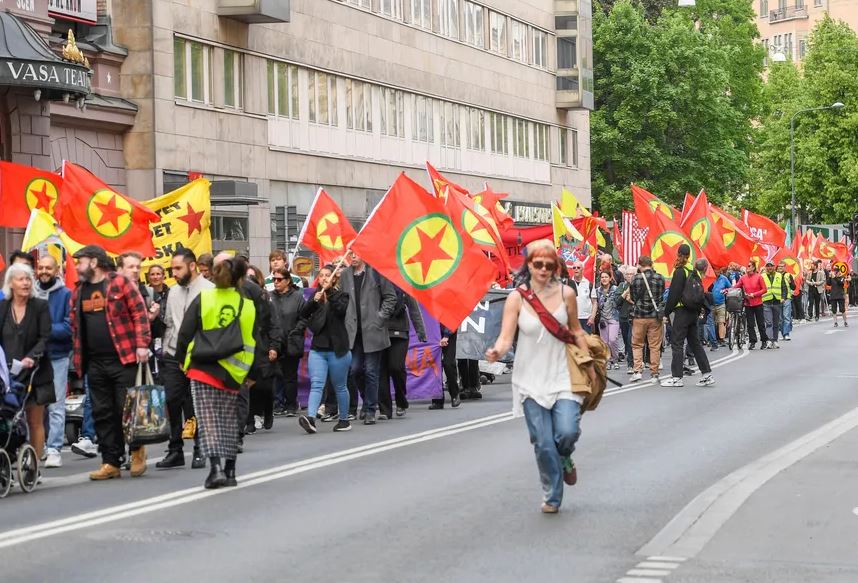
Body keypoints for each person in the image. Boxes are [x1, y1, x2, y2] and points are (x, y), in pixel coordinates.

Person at [486, 240, 592, 514]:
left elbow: (577, 330)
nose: (543, 269)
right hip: (530, 379)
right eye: (538, 264)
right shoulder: (517, 297)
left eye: (549, 264)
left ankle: (566, 455)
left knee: (567, 431)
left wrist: (588, 360)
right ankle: (553, 494)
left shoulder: (567, 293)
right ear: (529, 265)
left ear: (556, 266)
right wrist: (497, 351)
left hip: (563, 374)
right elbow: (506, 337)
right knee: (543, 442)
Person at [70, 245, 151, 481]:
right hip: (93, 362)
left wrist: (142, 344)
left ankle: (136, 452)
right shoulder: (79, 290)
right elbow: (75, 325)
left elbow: (139, 313)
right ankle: (110, 462)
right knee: (102, 412)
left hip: (123, 358)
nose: (76, 266)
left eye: (80, 261)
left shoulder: (120, 283)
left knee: (126, 409)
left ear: (94, 262)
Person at [176, 255, 257, 489]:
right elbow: (253, 341)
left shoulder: (204, 298)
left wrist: (182, 360)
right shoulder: (247, 304)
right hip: (235, 371)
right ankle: (231, 471)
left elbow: (185, 333)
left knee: (209, 421)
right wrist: (253, 374)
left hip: (203, 367)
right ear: (241, 278)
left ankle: (215, 469)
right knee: (230, 421)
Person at [157, 250, 214, 470]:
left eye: (178, 268)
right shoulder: (172, 292)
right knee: (171, 400)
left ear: (192, 267)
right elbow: (170, 322)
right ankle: (175, 449)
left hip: (199, 356)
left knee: (196, 403)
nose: (174, 273)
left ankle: (200, 448)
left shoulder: (210, 290)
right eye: (172, 269)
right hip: (173, 354)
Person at [0, 263, 54, 462]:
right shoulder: (3, 307)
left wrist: (32, 356)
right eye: (20, 279)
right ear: (10, 283)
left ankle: (35, 463)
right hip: (7, 372)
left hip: (35, 371)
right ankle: (9, 457)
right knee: (8, 418)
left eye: (28, 279)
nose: (25, 283)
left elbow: (45, 337)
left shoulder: (40, 306)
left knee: (34, 419)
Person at [339, 251, 397, 425]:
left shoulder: (376, 272)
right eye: (351, 253)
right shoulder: (345, 275)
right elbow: (343, 300)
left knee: (372, 371)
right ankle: (367, 401)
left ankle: (371, 409)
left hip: (373, 330)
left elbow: (390, 298)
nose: (353, 256)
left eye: (356, 253)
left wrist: (379, 317)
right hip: (353, 331)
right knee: (355, 369)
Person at [297, 264, 352, 434]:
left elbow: (340, 310)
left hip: (338, 350)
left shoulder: (342, 296)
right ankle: (311, 418)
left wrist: (329, 292)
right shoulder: (316, 296)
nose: (324, 278)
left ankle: (344, 420)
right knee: (316, 384)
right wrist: (314, 301)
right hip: (318, 349)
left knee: (340, 386)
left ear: (335, 278)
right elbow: (304, 314)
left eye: (328, 275)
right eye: (321, 275)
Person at [34, 256, 72, 469]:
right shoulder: (31, 293)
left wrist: (44, 331)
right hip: (35, 357)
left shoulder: (66, 294)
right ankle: (37, 447)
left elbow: (68, 327)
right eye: (41, 267)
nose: (44, 271)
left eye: (49, 268)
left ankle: (54, 448)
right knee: (35, 405)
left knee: (56, 404)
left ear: (57, 270)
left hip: (57, 356)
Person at [661, 249, 714, 388]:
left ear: (678, 254)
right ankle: (706, 373)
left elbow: (674, 294)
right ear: (689, 255)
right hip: (693, 311)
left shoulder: (680, 271)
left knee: (677, 343)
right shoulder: (693, 270)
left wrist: (666, 312)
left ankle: (677, 377)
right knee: (695, 343)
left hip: (682, 311)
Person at [379, 287, 427, 418]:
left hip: (399, 332)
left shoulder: (403, 283)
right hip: (378, 331)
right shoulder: (375, 281)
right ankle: (385, 409)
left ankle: (401, 401)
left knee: (396, 367)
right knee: (381, 371)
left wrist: (420, 331)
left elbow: (413, 309)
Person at [269, 266, 305, 417]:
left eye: (279, 279)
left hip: (292, 341)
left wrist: (296, 331)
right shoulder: (270, 296)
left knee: (290, 375)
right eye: (274, 279)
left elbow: (304, 317)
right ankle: (278, 404)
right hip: (275, 341)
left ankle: (291, 405)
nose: (276, 282)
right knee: (276, 374)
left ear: (288, 281)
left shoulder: (297, 297)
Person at [628, 256, 665, 382]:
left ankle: (637, 371)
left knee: (637, 344)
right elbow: (661, 296)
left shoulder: (635, 278)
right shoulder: (660, 278)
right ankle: (654, 373)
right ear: (651, 264)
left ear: (640, 265)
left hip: (639, 316)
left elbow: (633, 297)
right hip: (655, 317)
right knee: (654, 346)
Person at [733, 260, 768, 350]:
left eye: (749, 266)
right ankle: (752, 342)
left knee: (760, 324)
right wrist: (727, 290)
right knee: (750, 324)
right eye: (747, 266)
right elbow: (736, 286)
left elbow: (764, 289)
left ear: (753, 267)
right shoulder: (743, 278)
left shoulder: (759, 277)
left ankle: (764, 341)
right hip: (748, 303)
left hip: (758, 303)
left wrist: (754, 294)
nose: (747, 268)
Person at [429, 324, 461, 409]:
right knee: (435, 366)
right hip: (432, 334)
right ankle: (437, 399)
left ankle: (455, 394)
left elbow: (452, 317)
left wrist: (447, 335)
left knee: (448, 364)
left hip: (448, 332)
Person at [145, 265, 170, 364]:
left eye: (158, 274)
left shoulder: (171, 293)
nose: (155, 277)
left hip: (168, 336)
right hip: (150, 338)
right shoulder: (143, 295)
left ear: (163, 276)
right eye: (152, 274)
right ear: (148, 277)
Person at [595, 271, 620, 369]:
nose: (604, 279)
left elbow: (619, 302)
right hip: (602, 319)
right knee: (604, 342)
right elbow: (595, 304)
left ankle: (615, 358)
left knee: (612, 339)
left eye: (606, 277)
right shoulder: (597, 291)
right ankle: (608, 360)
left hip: (614, 317)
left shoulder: (615, 289)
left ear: (610, 278)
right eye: (602, 277)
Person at [761, 261, 787, 349]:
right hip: (766, 301)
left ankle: (775, 340)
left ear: (774, 266)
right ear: (765, 267)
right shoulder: (762, 276)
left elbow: (784, 288)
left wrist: (783, 297)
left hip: (777, 301)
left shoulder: (779, 276)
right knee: (768, 322)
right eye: (767, 266)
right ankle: (769, 340)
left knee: (776, 322)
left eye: (771, 266)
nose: (769, 268)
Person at [615, 266, 635, 371]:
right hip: (623, 317)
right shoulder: (622, 286)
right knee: (626, 339)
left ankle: (631, 363)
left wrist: (631, 300)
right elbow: (617, 302)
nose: (629, 276)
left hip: (635, 317)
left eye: (631, 274)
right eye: (627, 274)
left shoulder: (638, 286)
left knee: (631, 339)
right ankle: (629, 356)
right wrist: (625, 293)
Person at [571, 261, 597, 333]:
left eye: (578, 267)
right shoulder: (568, 283)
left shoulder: (589, 284)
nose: (576, 269)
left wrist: (592, 317)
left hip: (586, 319)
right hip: (573, 319)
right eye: (574, 267)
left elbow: (594, 303)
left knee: (587, 342)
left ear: (582, 269)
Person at [711, 267, 731, 346]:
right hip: (710, 304)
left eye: (719, 269)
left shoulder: (724, 278)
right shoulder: (709, 278)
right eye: (716, 269)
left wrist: (726, 290)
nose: (718, 270)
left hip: (721, 303)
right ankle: (712, 340)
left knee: (721, 322)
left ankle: (721, 339)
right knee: (711, 323)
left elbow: (730, 287)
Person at [778, 261, 796, 341]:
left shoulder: (788, 275)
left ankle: (786, 334)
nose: (780, 268)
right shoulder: (775, 275)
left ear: (785, 267)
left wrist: (790, 282)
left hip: (787, 298)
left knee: (786, 316)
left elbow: (794, 287)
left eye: (782, 267)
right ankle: (783, 333)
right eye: (779, 267)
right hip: (777, 298)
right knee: (780, 318)